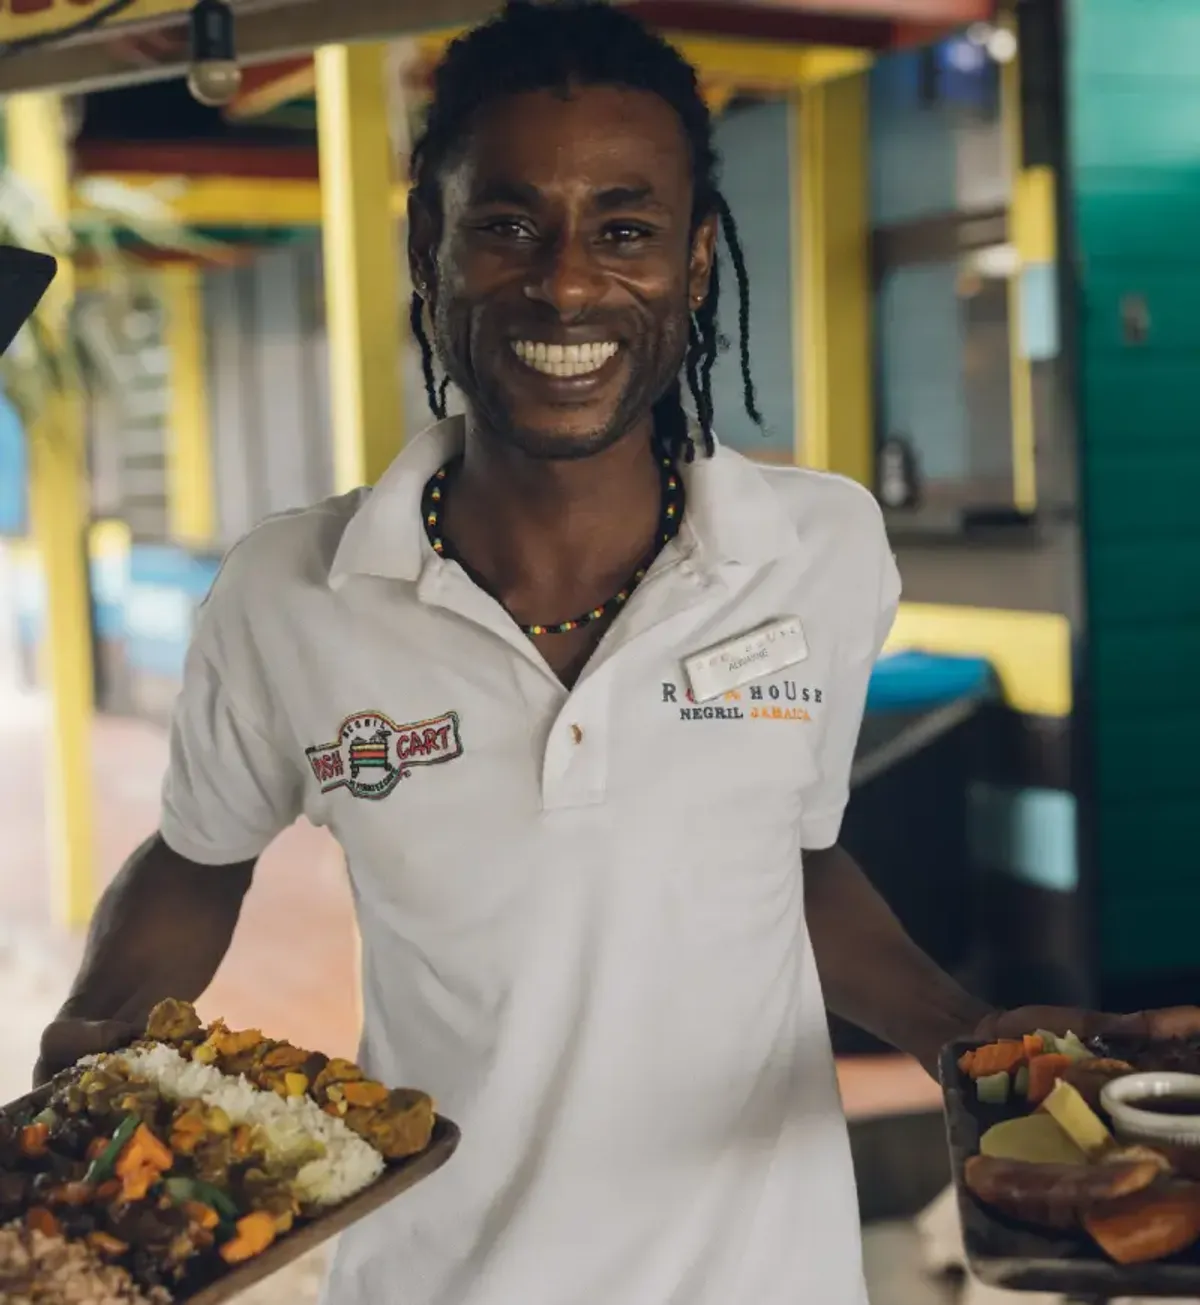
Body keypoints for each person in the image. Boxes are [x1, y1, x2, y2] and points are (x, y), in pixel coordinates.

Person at [35, 4, 1200, 1303]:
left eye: (625, 230)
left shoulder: (820, 553)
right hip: (441, 1278)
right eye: (507, 224)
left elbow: (789, 860)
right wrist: (90, 1048)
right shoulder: (290, 593)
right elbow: (196, 857)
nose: (569, 282)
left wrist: (965, 1038)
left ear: (695, 262)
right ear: (429, 245)